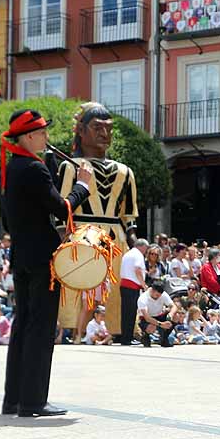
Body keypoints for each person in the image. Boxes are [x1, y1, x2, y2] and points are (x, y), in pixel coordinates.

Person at [0, 109, 92, 417]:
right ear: (28, 137)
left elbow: (14, 215)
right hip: (42, 258)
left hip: (23, 255)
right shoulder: (33, 170)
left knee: (23, 325)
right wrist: (83, 187)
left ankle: (13, 399)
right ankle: (33, 401)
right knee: (40, 329)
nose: (46, 138)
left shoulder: (15, 167)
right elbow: (60, 206)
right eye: (41, 133)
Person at [56, 103, 139, 342]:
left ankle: (121, 328)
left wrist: (136, 247)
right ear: (81, 131)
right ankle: (71, 329)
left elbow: (128, 217)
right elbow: (62, 209)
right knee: (76, 285)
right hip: (81, 233)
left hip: (116, 238)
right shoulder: (69, 167)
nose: (105, 134)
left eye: (109, 129)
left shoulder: (125, 171)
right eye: (97, 128)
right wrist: (62, 238)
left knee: (116, 290)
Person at [118, 238, 148, 345]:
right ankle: (128, 338)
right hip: (132, 286)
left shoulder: (128, 254)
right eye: (146, 248)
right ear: (142, 246)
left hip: (125, 285)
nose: (146, 251)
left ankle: (125, 338)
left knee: (126, 313)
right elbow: (137, 270)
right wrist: (144, 285)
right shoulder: (138, 254)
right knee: (130, 314)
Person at [137, 280, 174, 347]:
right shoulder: (143, 299)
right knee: (152, 326)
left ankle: (164, 338)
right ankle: (145, 336)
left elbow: (174, 306)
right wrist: (161, 324)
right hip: (146, 318)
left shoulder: (163, 294)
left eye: (160, 295)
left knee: (175, 316)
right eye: (157, 295)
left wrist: (170, 315)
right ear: (152, 290)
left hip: (159, 315)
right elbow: (147, 318)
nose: (158, 297)